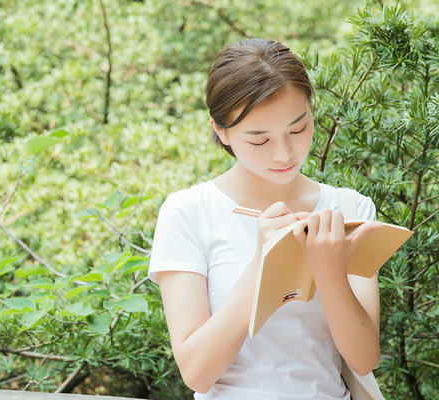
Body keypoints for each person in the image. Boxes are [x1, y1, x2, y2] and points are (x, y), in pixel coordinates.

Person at [148, 38, 381, 399]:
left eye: (298, 128)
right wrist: (263, 262)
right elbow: (197, 373)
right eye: (259, 140)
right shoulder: (189, 212)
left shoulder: (349, 209)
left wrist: (330, 270)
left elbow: (364, 359)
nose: (284, 153)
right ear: (221, 131)